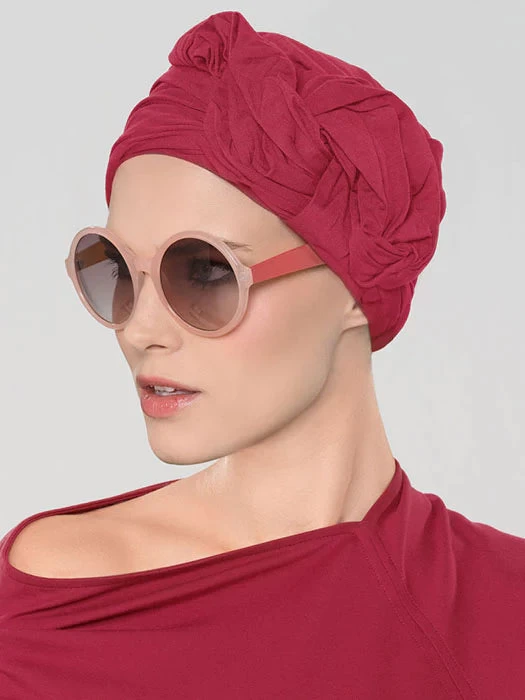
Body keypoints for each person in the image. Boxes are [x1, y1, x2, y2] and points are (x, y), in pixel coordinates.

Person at [1, 10, 524, 699]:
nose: (138, 329)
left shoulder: (505, 606)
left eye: (204, 271)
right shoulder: (44, 620)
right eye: (117, 269)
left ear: (353, 285)